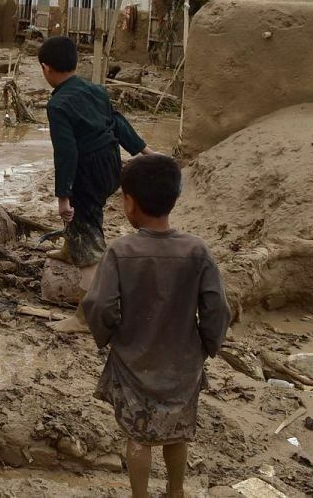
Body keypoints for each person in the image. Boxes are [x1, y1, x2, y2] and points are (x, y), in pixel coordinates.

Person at [82, 154, 231, 498]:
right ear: (174, 199)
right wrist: (209, 345)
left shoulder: (120, 251)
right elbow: (217, 307)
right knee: (178, 431)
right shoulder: (197, 250)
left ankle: (140, 495)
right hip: (183, 362)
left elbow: (99, 304)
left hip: (134, 360)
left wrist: (109, 336)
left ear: (130, 202)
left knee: (138, 435)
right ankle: (176, 491)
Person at [38, 35, 154, 333]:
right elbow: (117, 121)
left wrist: (63, 197)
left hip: (87, 170)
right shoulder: (96, 90)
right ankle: (69, 248)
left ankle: (85, 316)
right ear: (75, 64)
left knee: (86, 230)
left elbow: (66, 153)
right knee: (88, 213)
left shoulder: (58, 105)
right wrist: (144, 151)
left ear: (46, 68)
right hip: (111, 166)